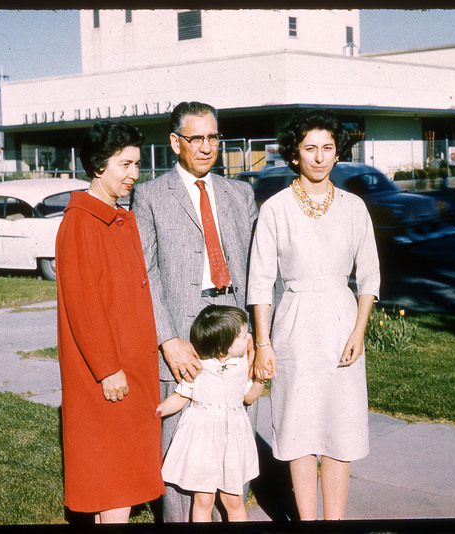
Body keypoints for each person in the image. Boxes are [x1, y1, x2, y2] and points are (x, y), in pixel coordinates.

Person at [247, 109, 380, 520]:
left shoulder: (354, 207)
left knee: (341, 430)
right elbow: (260, 282)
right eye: (310, 149)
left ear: (337, 153)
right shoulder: (276, 209)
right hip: (294, 327)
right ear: (294, 155)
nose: (320, 157)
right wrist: (264, 343)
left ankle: (333, 523)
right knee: (298, 428)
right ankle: (308, 524)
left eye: (328, 148)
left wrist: (359, 331)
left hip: (341, 323)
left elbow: (370, 275)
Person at [131, 101, 259, 522]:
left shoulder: (240, 194)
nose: (206, 148)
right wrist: (167, 339)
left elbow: (259, 270)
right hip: (183, 329)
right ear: (175, 143)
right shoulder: (149, 196)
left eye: (213, 138)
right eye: (196, 138)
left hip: (236, 324)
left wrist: (258, 335)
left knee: (231, 444)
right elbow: (145, 272)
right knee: (181, 449)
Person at [55, 121, 164, 523]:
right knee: (114, 476)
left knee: (118, 478)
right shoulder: (81, 223)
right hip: (109, 372)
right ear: (99, 166)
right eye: (125, 165)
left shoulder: (116, 217)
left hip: (130, 367)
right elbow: (84, 307)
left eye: (137, 164)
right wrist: (108, 369)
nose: (134, 174)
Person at [155, 305, 265, 522]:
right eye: (243, 336)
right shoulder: (199, 366)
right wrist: (157, 410)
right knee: (203, 500)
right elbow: (180, 397)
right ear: (223, 347)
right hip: (203, 440)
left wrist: (261, 380)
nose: (249, 338)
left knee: (233, 500)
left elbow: (249, 397)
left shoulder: (242, 365)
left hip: (232, 438)